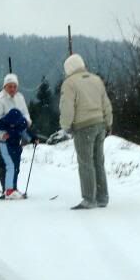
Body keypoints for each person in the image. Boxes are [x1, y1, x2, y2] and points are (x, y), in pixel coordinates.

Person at [58, 54, 113, 209]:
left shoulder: (69, 83)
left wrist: (66, 125)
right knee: (98, 161)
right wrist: (108, 123)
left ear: (68, 68)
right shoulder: (96, 80)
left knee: (85, 163)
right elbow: (106, 103)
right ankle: (102, 197)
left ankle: (89, 199)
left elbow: (67, 107)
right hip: (100, 123)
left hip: (83, 127)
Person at [0, 73, 33, 194]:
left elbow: (25, 114)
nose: (12, 89)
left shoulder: (20, 98)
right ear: (5, 87)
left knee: (15, 164)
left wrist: (26, 123)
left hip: (15, 136)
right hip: (0, 138)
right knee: (4, 163)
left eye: (14, 86)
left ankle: (13, 188)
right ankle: (6, 189)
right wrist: (5, 131)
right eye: (9, 86)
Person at [0, 108, 36, 199]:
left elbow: (25, 132)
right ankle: (9, 190)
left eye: (14, 123)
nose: (12, 125)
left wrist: (33, 139)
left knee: (16, 168)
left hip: (16, 146)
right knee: (11, 166)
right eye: (10, 123)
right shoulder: (3, 122)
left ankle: (13, 189)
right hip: (4, 145)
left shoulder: (22, 123)